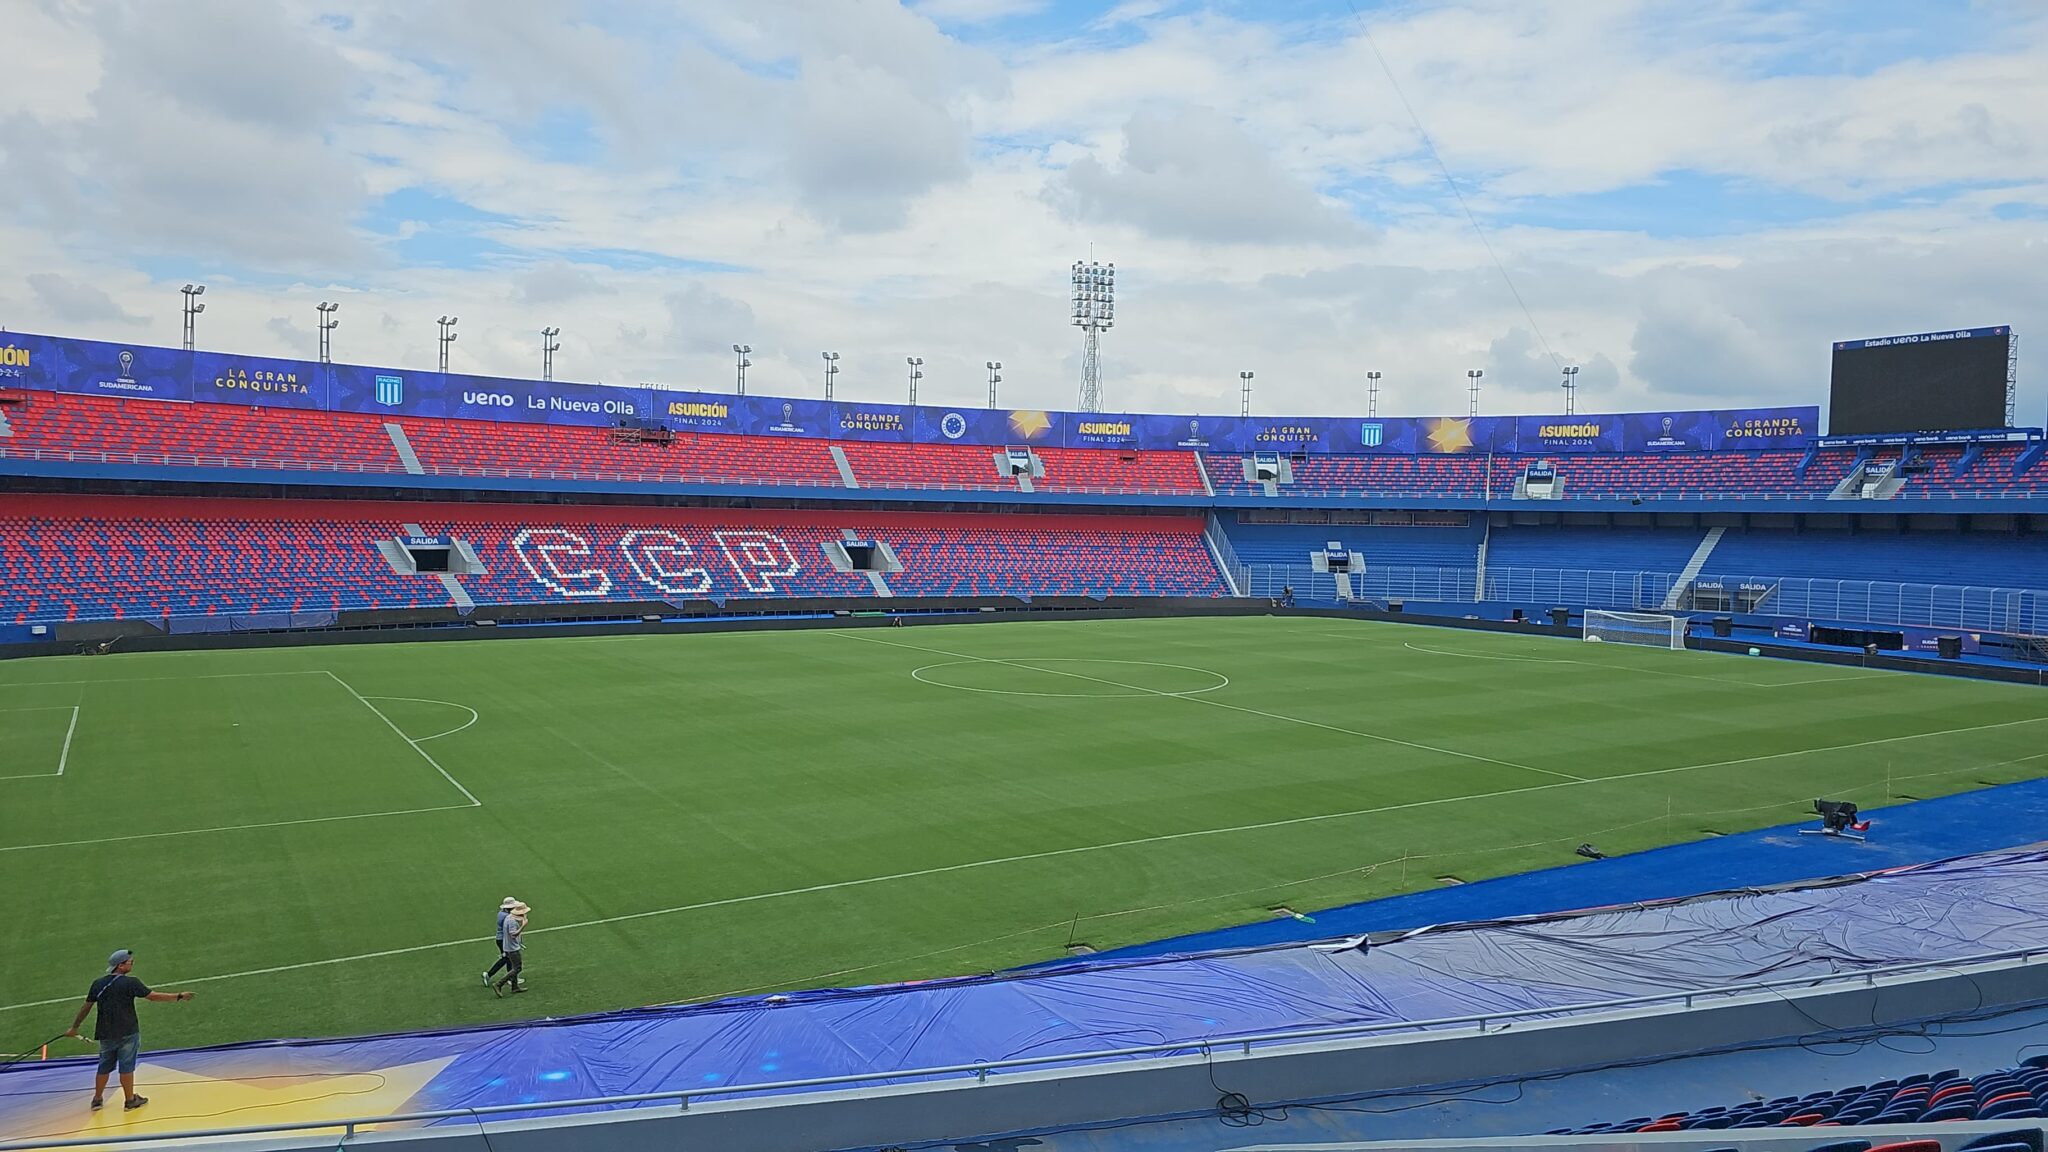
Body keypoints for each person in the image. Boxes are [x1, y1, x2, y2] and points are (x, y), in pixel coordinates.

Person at [63, 949, 193, 1112]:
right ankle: (130, 1100)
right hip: (128, 1031)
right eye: (130, 962)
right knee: (126, 1066)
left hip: (105, 1032)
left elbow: (86, 1007)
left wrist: (74, 1027)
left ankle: (97, 1099)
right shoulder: (131, 983)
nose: (132, 964)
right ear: (121, 965)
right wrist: (179, 996)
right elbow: (153, 997)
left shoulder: (98, 984)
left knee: (104, 1066)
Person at [492, 902, 529, 996]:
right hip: (512, 947)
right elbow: (513, 934)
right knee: (517, 968)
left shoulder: (509, 918)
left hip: (508, 946)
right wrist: (523, 926)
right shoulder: (512, 921)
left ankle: (515, 986)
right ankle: (499, 984)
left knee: (514, 966)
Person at [482, 897, 518, 987]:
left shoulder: (501, 913)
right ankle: (489, 974)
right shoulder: (506, 916)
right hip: (503, 940)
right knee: (507, 958)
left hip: (501, 939)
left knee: (508, 958)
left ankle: (510, 978)